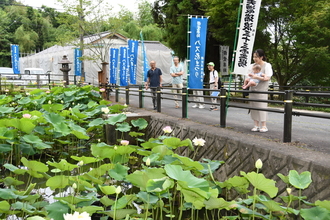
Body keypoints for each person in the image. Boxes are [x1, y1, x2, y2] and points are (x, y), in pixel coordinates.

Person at [248, 49, 273, 133]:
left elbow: (267, 78)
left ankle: (264, 126)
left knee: (262, 107)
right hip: (253, 89)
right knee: (253, 106)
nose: (255, 59)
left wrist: (257, 77)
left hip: (262, 89)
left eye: (257, 57)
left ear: (262, 57)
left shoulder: (267, 65)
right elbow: (248, 76)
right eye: (254, 57)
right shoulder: (252, 66)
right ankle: (256, 125)